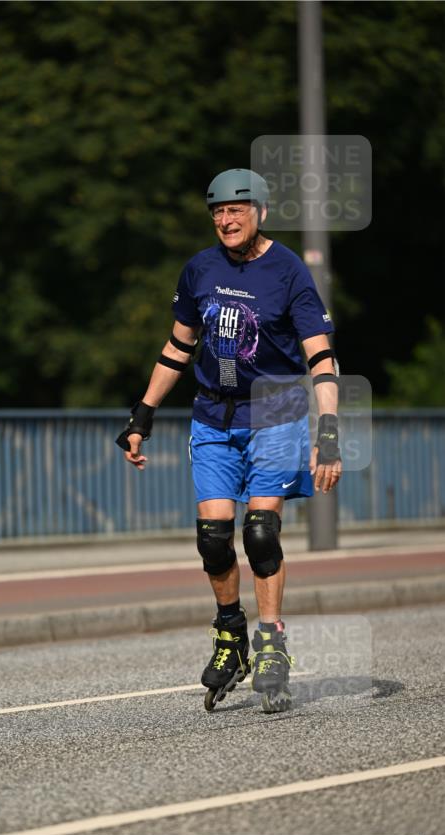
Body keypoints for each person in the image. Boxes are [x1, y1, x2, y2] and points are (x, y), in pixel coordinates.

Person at [116, 168, 342, 713]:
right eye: (218, 211)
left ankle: (271, 644)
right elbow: (177, 349)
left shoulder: (288, 271)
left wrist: (328, 431)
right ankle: (230, 636)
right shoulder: (200, 269)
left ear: (259, 212)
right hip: (212, 415)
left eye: (236, 210)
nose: (226, 219)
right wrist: (141, 416)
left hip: (277, 409)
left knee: (261, 534)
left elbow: (321, 356)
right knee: (213, 540)